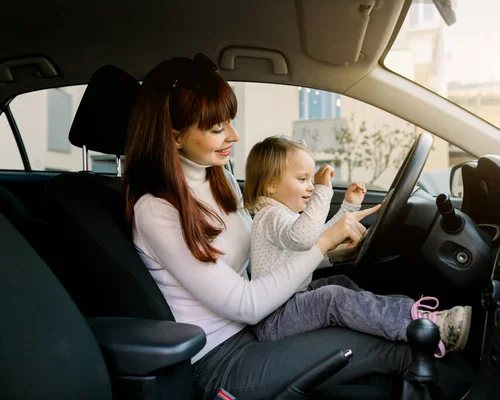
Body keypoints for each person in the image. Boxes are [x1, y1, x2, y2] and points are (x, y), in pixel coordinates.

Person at [122, 54, 470, 399]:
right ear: (175, 134)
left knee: (377, 321)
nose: (234, 135)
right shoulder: (157, 210)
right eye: (217, 128)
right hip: (222, 359)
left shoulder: (219, 179)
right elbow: (247, 303)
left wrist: (329, 256)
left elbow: (259, 262)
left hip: (259, 325)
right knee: (405, 350)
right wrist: (321, 243)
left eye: (230, 121)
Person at [244, 136, 472, 356]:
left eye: (311, 181)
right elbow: (306, 237)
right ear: (272, 185)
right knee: (333, 297)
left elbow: (318, 237)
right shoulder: (270, 216)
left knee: (339, 283)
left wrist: (348, 208)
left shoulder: (281, 215)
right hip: (273, 318)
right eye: (302, 179)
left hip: (287, 301)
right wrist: (323, 191)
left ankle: (399, 315)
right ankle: (425, 329)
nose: (311, 187)